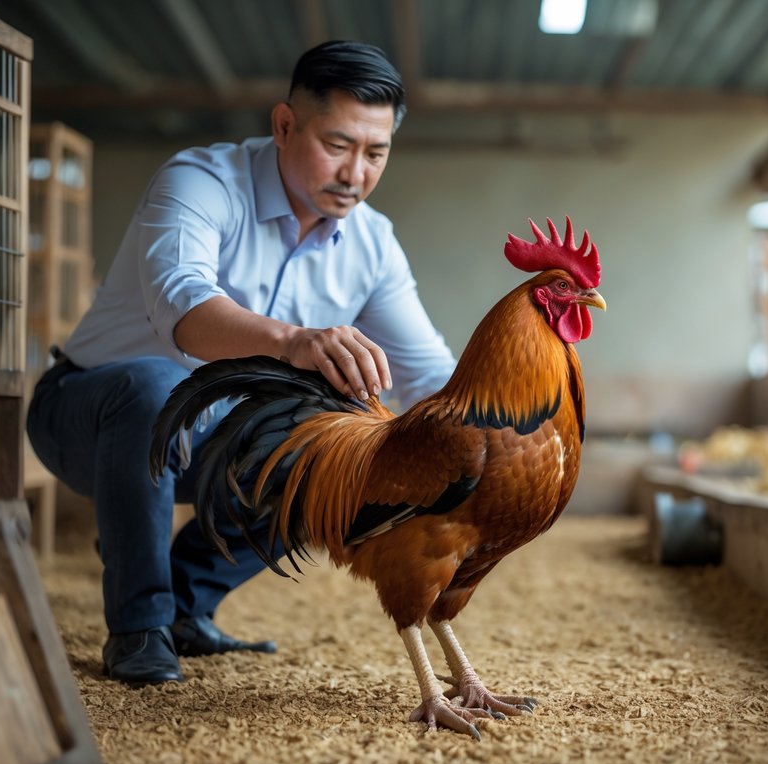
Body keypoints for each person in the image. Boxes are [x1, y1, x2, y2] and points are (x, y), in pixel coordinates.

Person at [27, 41, 457, 686]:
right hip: (89, 414)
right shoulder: (200, 181)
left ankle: (185, 609)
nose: (355, 173)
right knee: (156, 384)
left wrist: (507, 447)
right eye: (337, 145)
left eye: (376, 153)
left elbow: (432, 374)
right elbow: (185, 307)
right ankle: (139, 625)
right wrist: (292, 342)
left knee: (327, 444)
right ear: (284, 125)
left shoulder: (372, 244)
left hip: (221, 445)